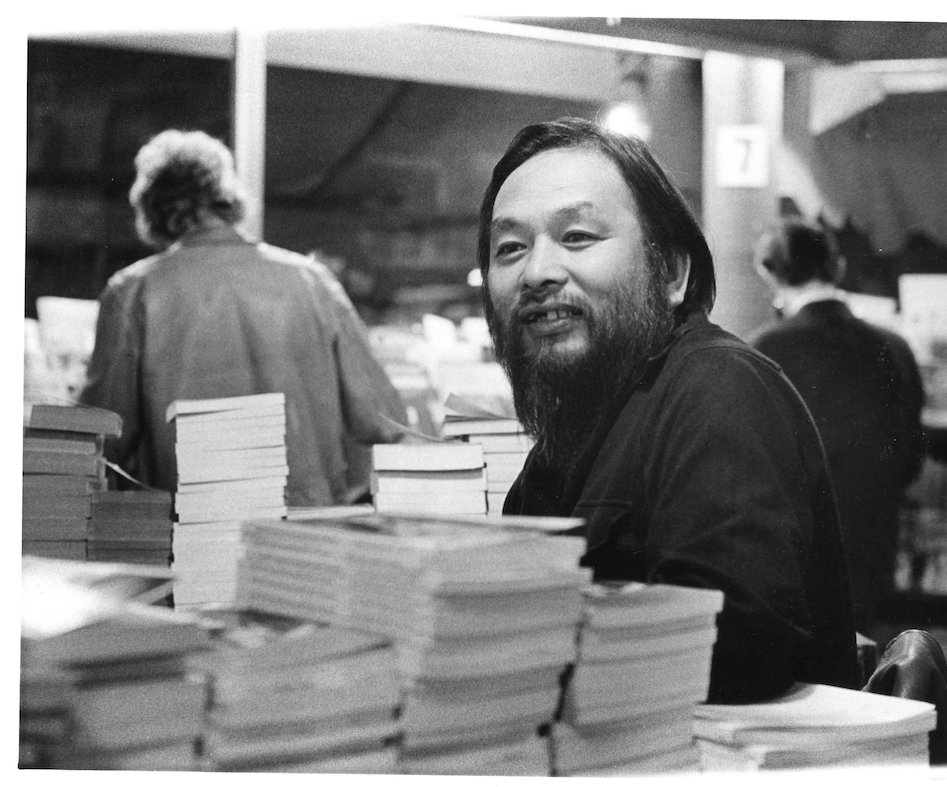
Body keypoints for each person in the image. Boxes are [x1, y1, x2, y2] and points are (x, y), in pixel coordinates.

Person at [480, 117, 857, 704]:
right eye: (510, 248)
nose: (537, 272)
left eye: (577, 237)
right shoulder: (567, 435)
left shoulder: (720, 389)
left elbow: (733, 648)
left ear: (673, 273)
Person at [78, 129, 407, 506]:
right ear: (227, 198)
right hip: (305, 528)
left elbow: (100, 441)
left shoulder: (133, 291)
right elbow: (385, 420)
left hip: (189, 530)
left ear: (151, 207)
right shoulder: (310, 280)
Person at [749, 217, 926, 633]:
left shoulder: (764, 349)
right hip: (873, 547)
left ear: (769, 274)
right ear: (838, 268)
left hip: (790, 554)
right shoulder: (894, 347)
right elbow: (911, 458)